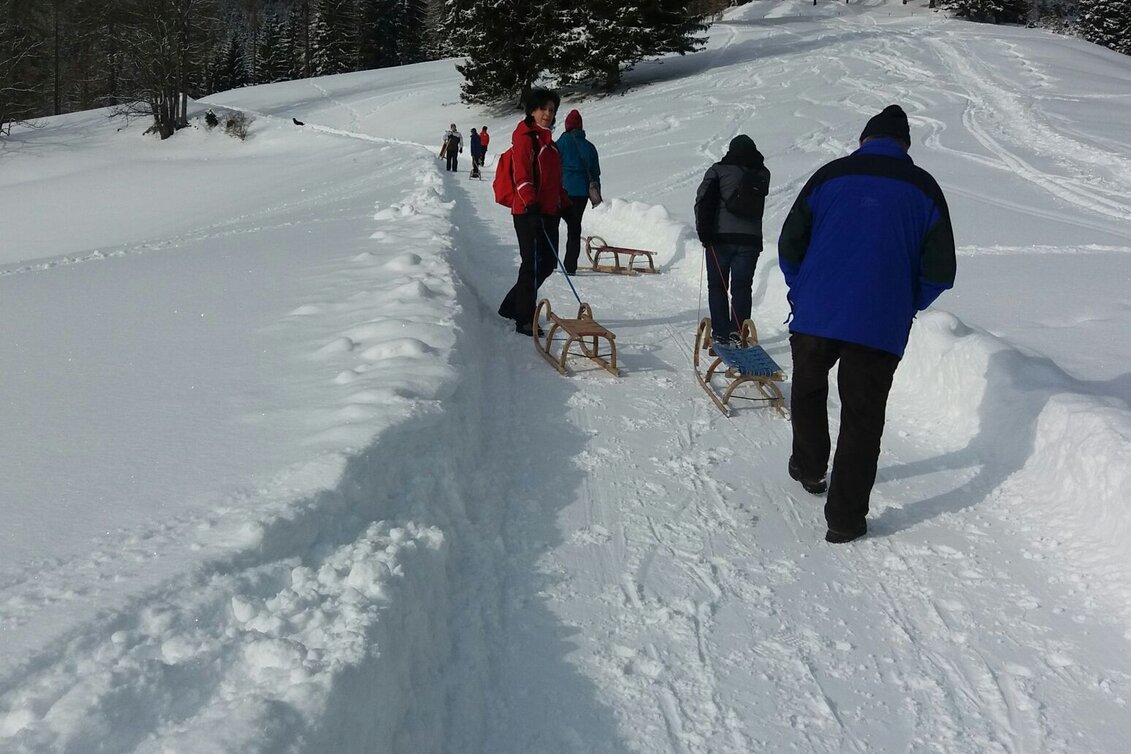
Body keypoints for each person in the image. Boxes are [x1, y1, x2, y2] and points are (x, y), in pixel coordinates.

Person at [777, 104, 956, 544]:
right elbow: (939, 272)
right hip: (878, 325)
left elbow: (789, 242)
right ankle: (844, 519)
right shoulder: (925, 188)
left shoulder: (829, 175)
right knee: (862, 416)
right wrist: (902, 303)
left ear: (864, 140)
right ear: (905, 145)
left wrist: (801, 287)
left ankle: (811, 468)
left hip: (816, 313)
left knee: (809, 389)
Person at [497, 89, 571, 336]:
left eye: (551, 109)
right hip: (528, 211)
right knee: (532, 264)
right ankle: (525, 318)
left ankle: (511, 305)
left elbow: (555, 182)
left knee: (548, 263)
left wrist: (566, 205)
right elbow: (522, 177)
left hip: (549, 212)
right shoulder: (525, 138)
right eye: (543, 109)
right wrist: (531, 206)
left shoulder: (551, 144)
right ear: (532, 110)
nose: (548, 114)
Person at [693, 134, 770, 345]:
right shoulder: (763, 174)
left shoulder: (718, 171)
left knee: (718, 286)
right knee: (742, 287)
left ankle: (720, 333)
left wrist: (703, 232)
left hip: (720, 239)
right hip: (751, 241)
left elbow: (702, 201)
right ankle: (738, 332)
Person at [556, 109, 602, 275]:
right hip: (581, 193)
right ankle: (570, 266)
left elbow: (551, 166)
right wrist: (595, 193)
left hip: (562, 191)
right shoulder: (590, 147)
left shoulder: (561, 143)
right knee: (574, 229)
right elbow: (595, 172)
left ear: (567, 126)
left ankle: (551, 261)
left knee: (553, 224)